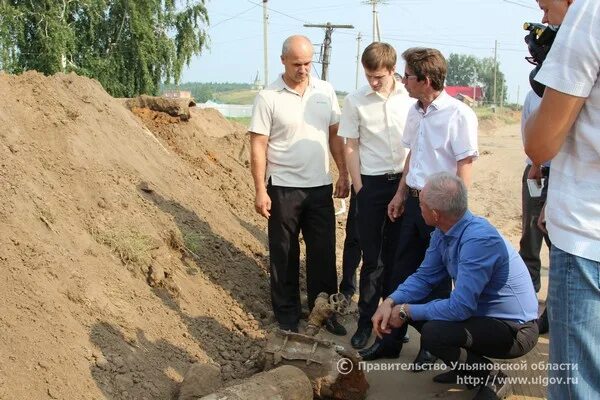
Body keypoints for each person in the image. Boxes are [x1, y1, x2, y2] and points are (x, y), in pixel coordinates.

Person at [359, 47, 478, 367]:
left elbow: (464, 164)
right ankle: (390, 341)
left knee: (438, 281)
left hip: (441, 211)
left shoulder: (458, 115)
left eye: (407, 76)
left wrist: (454, 215)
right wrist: (400, 194)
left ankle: (432, 346)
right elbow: (413, 157)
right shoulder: (415, 111)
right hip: (413, 204)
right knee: (400, 275)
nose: (402, 81)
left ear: (425, 80)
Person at [372, 172, 539, 400]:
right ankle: (467, 370)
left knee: (433, 331)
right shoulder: (445, 230)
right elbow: (424, 277)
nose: (417, 207)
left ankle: (493, 377)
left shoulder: (478, 241)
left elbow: (461, 308)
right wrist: (391, 301)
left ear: (435, 214)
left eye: (420, 204)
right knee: (422, 310)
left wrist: (405, 311)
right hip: (484, 317)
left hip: (515, 330)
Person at [249, 35, 349, 335]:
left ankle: (325, 312)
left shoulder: (325, 92)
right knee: (284, 254)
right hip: (282, 187)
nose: (303, 69)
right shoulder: (268, 97)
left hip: (319, 186)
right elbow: (258, 146)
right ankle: (288, 317)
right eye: (296, 64)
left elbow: (335, 136)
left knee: (323, 254)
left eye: (307, 63)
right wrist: (259, 190)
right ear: (283, 61)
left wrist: (343, 172)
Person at [524, 0, 600, 398]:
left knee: (579, 387)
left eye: (546, 6)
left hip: (588, 238)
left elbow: (539, 145)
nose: (544, 18)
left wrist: (547, 79)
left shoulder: (589, 14)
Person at [337, 42, 413, 349]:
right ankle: (366, 320)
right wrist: (359, 189)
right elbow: (350, 145)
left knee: (399, 257)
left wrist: (405, 188)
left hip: (405, 184)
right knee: (373, 259)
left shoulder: (409, 98)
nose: (373, 81)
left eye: (378, 76)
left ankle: (395, 323)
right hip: (370, 185)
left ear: (393, 70)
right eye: (369, 75)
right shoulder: (355, 101)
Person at [518, 90, 551, 333]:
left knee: (557, 244)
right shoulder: (534, 95)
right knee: (530, 238)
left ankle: (552, 310)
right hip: (535, 173)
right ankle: (527, 305)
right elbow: (528, 135)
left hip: (562, 174)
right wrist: (536, 164)